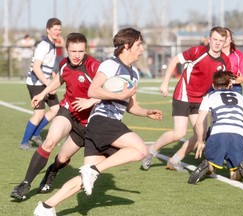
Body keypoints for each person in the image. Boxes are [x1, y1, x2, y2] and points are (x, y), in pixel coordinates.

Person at [33, 27, 162, 215]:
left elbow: (129, 105)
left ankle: (46, 207)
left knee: (85, 178)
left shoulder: (134, 73)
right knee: (141, 150)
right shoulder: (110, 65)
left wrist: (146, 112)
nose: (142, 49)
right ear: (127, 46)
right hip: (103, 120)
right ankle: (94, 169)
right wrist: (119, 94)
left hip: (100, 127)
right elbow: (93, 91)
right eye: (139, 44)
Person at [10, 33, 102, 200]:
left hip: (87, 123)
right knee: (50, 141)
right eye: (73, 51)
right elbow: (59, 78)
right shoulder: (64, 63)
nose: (76, 55)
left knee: (63, 158)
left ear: (85, 50)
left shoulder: (94, 66)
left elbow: (110, 89)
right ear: (66, 50)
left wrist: (91, 101)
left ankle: (53, 170)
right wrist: (43, 93)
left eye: (81, 51)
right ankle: (25, 185)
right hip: (68, 111)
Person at [141, 26, 231, 172]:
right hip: (183, 94)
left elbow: (223, 82)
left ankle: (174, 160)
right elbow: (174, 61)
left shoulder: (225, 61)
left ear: (225, 42)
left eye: (221, 40)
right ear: (209, 39)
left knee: (199, 135)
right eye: (215, 39)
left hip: (201, 100)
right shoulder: (197, 51)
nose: (217, 43)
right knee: (179, 133)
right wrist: (165, 83)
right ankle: (151, 151)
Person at [187, 70, 243, 185]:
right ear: (230, 84)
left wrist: (200, 141)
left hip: (218, 134)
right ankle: (241, 167)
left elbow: (199, 122)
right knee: (234, 176)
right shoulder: (241, 98)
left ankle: (207, 165)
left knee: (211, 167)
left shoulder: (209, 96)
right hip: (237, 135)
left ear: (213, 85)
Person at [19, 18, 62, 150]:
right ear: (48, 30)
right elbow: (36, 68)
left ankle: (36, 134)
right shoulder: (44, 45)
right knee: (39, 113)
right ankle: (24, 142)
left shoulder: (52, 43)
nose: (57, 32)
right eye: (55, 29)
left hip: (44, 82)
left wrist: (54, 75)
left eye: (59, 29)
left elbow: (47, 65)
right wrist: (49, 85)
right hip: (35, 83)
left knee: (55, 109)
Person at [222, 28, 243, 94]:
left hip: (234, 87)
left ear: (231, 39)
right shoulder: (212, 54)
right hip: (215, 87)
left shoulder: (238, 55)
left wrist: (231, 81)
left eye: (227, 36)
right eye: (223, 36)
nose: (225, 39)